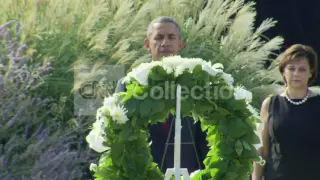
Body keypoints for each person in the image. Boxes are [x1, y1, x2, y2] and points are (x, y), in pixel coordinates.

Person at [115, 16, 209, 173]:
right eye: (159, 37)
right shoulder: (127, 85)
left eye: (171, 37)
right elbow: (119, 138)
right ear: (147, 44)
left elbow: (204, 142)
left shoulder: (196, 86)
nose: (165, 43)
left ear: (181, 44)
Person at [252, 44, 320, 180]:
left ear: (310, 72)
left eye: (302, 69)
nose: (296, 74)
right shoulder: (270, 104)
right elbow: (262, 151)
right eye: (291, 69)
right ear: (283, 72)